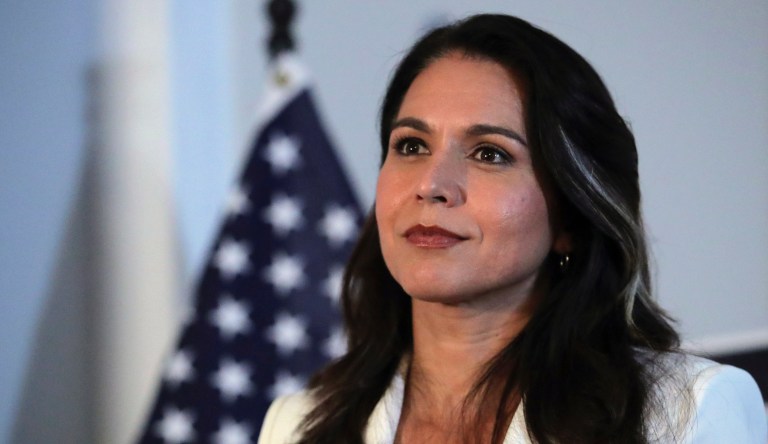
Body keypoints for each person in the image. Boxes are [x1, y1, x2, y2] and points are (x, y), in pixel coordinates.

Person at [258, 14, 766, 444]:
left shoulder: (687, 411)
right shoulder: (295, 425)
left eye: (489, 154)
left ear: (570, 217)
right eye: (411, 145)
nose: (431, 185)